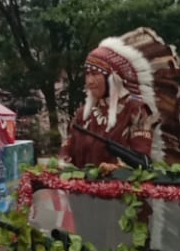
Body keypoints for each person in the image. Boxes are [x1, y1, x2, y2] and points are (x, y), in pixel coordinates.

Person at [58, 34, 160, 173]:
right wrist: (63, 162)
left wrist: (116, 169)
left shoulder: (136, 110)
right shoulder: (83, 114)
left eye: (95, 74)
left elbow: (143, 162)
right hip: (81, 186)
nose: (89, 81)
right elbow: (67, 147)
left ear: (112, 78)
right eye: (87, 74)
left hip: (121, 186)